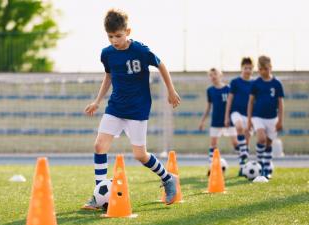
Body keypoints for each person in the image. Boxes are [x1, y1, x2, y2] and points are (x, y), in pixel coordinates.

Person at [82, 9, 181, 209]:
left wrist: (171, 90)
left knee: (140, 155)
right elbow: (108, 77)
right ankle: (100, 196)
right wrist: (97, 101)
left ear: (128, 31)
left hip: (137, 109)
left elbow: (161, 65)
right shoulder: (107, 54)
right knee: (99, 146)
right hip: (116, 107)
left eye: (118, 36)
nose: (114, 40)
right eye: (110, 36)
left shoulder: (141, 51)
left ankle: (169, 178)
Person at [247, 55, 284, 179]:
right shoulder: (256, 83)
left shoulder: (277, 83)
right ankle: (260, 164)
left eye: (266, 68)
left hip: (272, 118)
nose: (264, 71)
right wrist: (249, 120)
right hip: (258, 117)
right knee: (261, 139)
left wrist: (280, 120)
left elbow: (280, 103)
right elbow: (251, 102)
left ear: (271, 68)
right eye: (261, 69)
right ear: (258, 70)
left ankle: (266, 167)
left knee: (268, 143)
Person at [199, 68, 238, 172]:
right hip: (216, 121)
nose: (213, 76)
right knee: (213, 144)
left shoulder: (229, 89)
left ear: (221, 75)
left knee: (235, 143)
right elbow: (208, 107)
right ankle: (211, 167)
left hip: (229, 121)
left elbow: (233, 105)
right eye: (210, 75)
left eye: (215, 74)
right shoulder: (210, 90)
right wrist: (202, 121)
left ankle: (243, 163)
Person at [225, 57, 254, 176]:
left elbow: (254, 101)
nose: (247, 70)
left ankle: (243, 167)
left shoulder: (254, 83)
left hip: (249, 115)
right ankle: (244, 157)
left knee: (245, 144)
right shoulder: (235, 82)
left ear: (252, 69)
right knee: (239, 128)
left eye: (250, 68)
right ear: (241, 68)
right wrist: (226, 116)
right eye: (245, 68)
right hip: (235, 112)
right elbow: (230, 99)